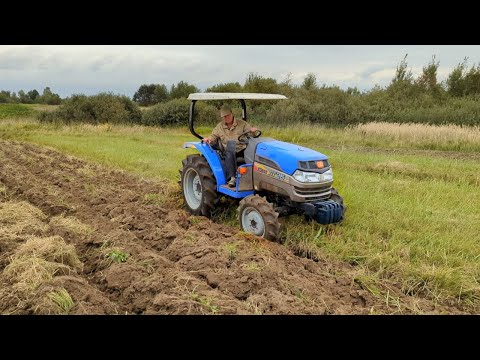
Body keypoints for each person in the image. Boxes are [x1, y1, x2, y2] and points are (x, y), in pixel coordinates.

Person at [203, 105, 258, 187]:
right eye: (224, 116)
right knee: (230, 148)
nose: (226, 118)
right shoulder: (220, 127)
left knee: (254, 151)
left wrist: (253, 131)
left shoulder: (242, 124)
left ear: (232, 114)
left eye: (228, 115)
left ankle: (255, 176)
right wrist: (209, 139)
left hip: (241, 149)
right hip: (228, 151)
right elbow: (213, 136)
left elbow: (251, 133)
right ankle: (232, 178)